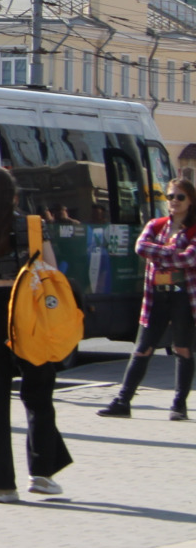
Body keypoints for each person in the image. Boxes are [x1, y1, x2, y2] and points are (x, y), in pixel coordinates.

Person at [0, 165, 72, 502]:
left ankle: (2, 485)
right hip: (27, 310)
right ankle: (42, 472)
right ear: (12, 194)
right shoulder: (31, 225)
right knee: (38, 391)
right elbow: (49, 269)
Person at [100, 175, 196, 420]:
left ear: (191, 200)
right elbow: (141, 248)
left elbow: (190, 258)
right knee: (142, 348)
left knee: (182, 349)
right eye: (170, 196)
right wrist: (171, 252)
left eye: (180, 197)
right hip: (156, 297)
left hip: (183, 297)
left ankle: (178, 405)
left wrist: (160, 254)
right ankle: (123, 401)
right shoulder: (156, 224)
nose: (174, 201)